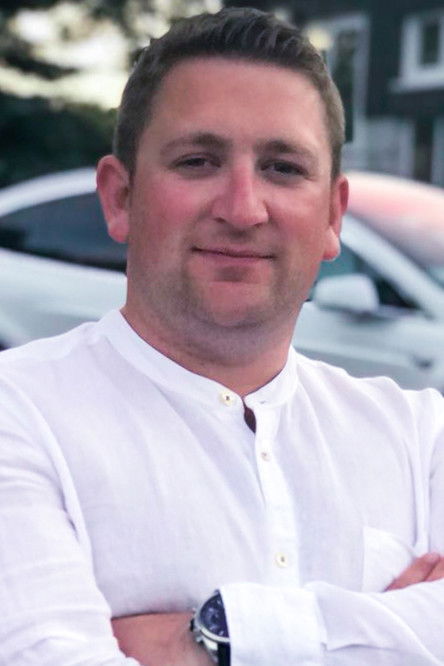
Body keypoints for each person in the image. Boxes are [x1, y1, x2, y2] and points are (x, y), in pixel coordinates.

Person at [1, 7, 444, 665]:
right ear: (120, 198)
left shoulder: (421, 435)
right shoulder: (20, 414)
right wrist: (394, 628)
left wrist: (217, 636)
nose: (242, 209)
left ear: (332, 215)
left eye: (283, 168)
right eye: (198, 161)